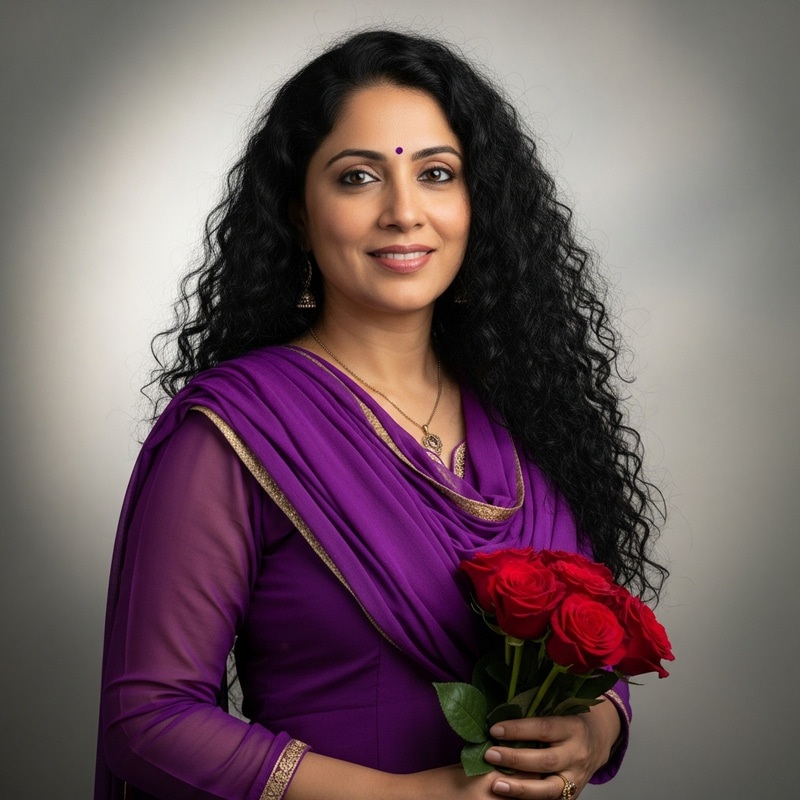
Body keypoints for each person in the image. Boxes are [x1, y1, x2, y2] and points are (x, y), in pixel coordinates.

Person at [96, 29, 667, 800]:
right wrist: (402, 797)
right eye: (358, 177)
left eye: (437, 173)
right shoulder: (234, 432)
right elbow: (150, 719)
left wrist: (597, 727)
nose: (404, 212)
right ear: (299, 213)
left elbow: (590, 662)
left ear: (478, 204)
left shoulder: (528, 417)